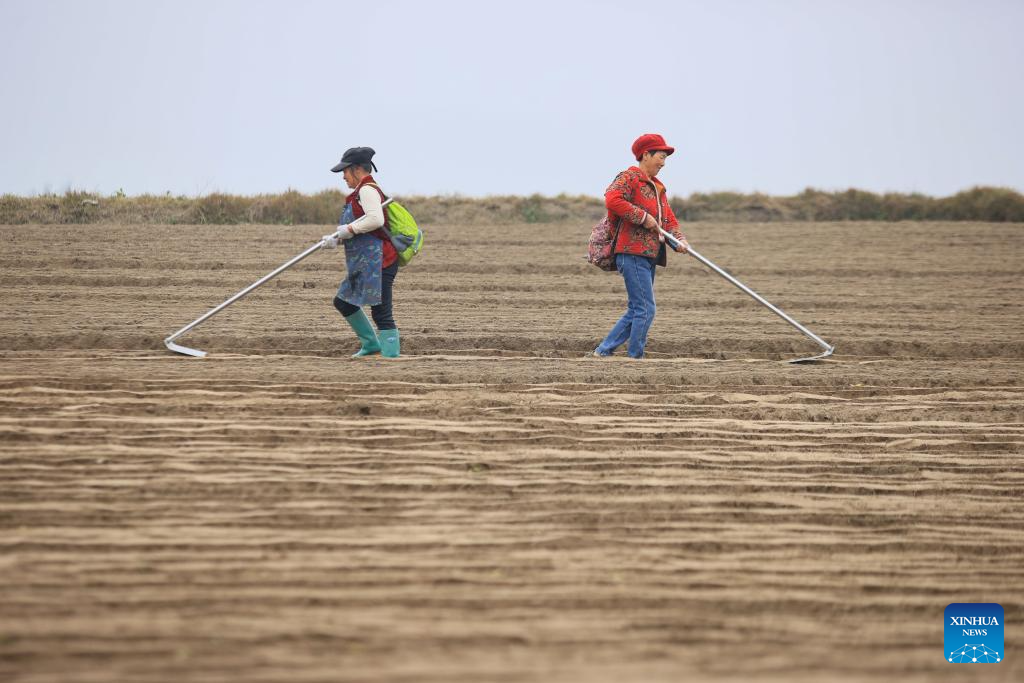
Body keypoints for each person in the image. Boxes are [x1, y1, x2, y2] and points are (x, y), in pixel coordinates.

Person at [593, 134, 689, 359]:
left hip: (649, 255)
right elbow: (612, 199)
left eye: (665, 158)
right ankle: (635, 357)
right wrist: (643, 217)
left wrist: (679, 241)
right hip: (631, 252)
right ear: (645, 155)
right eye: (661, 156)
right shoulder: (629, 178)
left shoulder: (658, 188)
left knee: (637, 309)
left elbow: (668, 220)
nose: (663, 163)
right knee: (646, 309)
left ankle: (603, 351)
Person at [322, 146, 401, 358]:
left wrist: (348, 229)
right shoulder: (359, 193)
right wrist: (335, 239)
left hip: (380, 260)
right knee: (343, 302)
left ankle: (391, 357)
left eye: (344, 172)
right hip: (365, 261)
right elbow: (361, 225)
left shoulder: (367, 190)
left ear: (356, 169)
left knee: (381, 312)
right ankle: (371, 345)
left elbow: (376, 220)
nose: (343, 177)